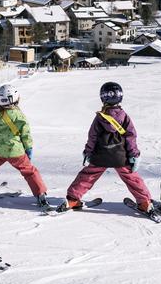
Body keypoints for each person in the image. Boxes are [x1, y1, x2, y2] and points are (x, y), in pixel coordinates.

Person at [58, 82, 153, 213]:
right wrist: (134, 155)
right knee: (132, 178)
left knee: (87, 176)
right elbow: (131, 136)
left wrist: (88, 152)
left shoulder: (99, 118)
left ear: (103, 98)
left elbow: (92, 136)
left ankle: (73, 199)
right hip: (121, 156)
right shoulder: (124, 117)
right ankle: (144, 203)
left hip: (100, 155)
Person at [0, 84, 50, 208]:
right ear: (16, 98)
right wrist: (28, 148)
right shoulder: (19, 116)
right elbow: (25, 134)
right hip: (16, 151)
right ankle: (40, 194)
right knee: (29, 172)